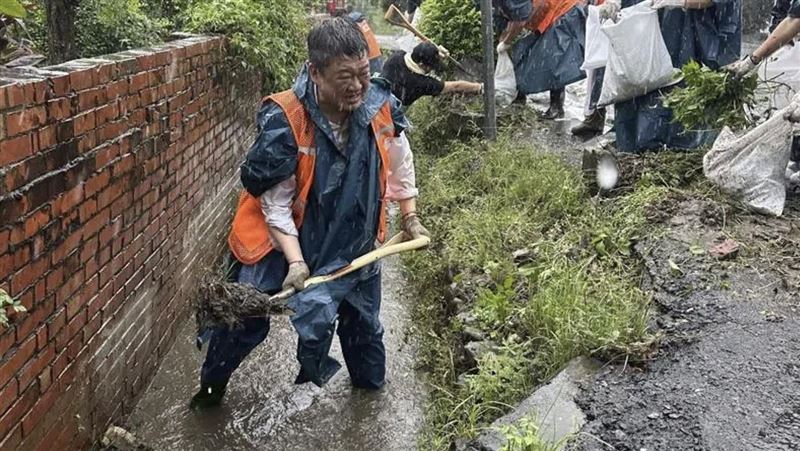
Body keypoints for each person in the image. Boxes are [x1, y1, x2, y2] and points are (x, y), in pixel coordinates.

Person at [191, 17, 429, 409]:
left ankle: (368, 399)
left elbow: (400, 161)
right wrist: (297, 262)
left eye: (363, 74)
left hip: (351, 234)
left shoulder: (379, 105)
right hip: (278, 236)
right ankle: (210, 392)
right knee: (242, 322)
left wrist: (410, 215)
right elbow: (276, 203)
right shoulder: (287, 119)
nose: (356, 87)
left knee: (363, 325)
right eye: (344, 77)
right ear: (315, 72)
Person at [611, 0, 741, 153]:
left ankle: (678, 153)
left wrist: (682, 1)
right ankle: (637, 153)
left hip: (697, 39)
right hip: (655, 34)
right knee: (643, 94)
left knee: (685, 105)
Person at [493, 0, 587, 119]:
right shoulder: (497, 5)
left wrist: (507, 41)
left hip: (559, 10)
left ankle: (556, 106)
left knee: (554, 59)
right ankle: (519, 94)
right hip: (544, 13)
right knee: (524, 52)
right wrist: (505, 39)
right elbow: (510, 21)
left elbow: (521, 19)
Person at [381, 42, 483, 108]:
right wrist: (479, 87)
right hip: (388, 114)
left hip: (375, 98)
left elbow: (419, 48)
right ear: (421, 65)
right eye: (431, 66)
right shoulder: (421, 83)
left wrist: (437, 52)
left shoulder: (397, 56)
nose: (432, 69)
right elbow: (455, 86)